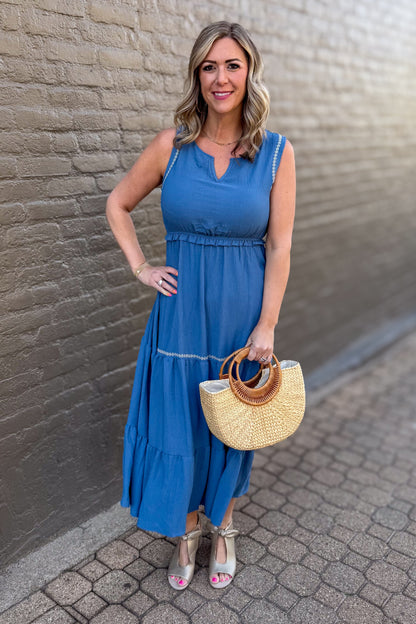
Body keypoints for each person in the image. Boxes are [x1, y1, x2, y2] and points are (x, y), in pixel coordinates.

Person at [106, 20, 296, 591]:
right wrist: (141, 266)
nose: (220, 78)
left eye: (232, 65)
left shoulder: (276, 154)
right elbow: (118, 204)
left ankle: (225, 527)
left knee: (231, 422)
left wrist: (267, 325)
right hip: (180, 316)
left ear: (249, 73)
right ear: (197, 75)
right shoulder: (172, 146)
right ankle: (187, 533)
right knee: (181, 422)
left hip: (241, 318)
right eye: (209, 66)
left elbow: (280, 246)